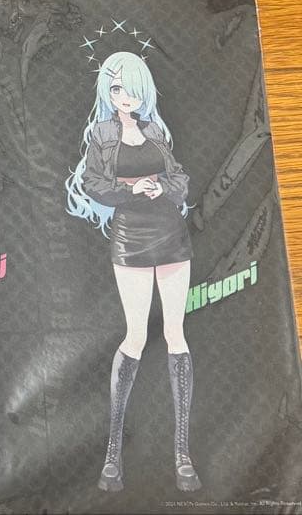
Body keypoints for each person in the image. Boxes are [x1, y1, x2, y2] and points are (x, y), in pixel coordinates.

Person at [65, 51, 200, 492]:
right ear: (108, 90)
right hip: (130, 236)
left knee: (176, 333)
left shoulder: (155, 130)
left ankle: (182, 453)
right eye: (118, 88)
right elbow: (93, 183)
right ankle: (112, 453)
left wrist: (162, 186)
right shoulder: (101, 133)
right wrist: (131, 189)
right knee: (136, 336)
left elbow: (180, 179)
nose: (127, 97)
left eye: (134, 90)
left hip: (171, 232)